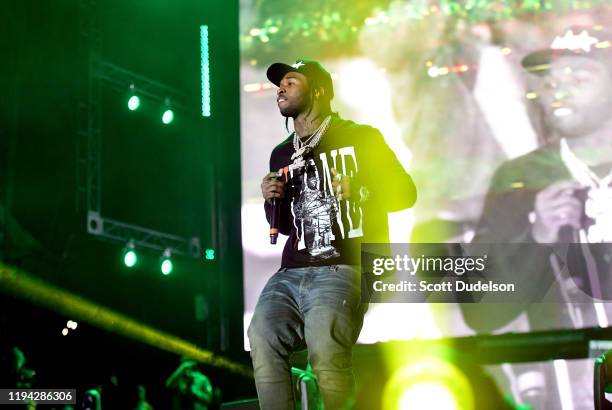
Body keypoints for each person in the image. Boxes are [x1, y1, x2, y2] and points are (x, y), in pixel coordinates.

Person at [248, 59, 416, 409]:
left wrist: (362, 189)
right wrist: (271, 200)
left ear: (319, 91)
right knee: (262, 336)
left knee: (325, 355)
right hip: (291, 270)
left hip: (343, 265)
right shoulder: (282, 152)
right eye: (279, 84)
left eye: (291, 82)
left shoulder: (360, 137)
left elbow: (405, 192)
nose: (280, 89)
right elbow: (282, 222)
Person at [461, 25, 612, 408]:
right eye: (550, 81)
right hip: (570, 391)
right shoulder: (520, 180)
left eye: (579, 77)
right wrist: (537, 235)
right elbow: (480, 310)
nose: (558, 90)